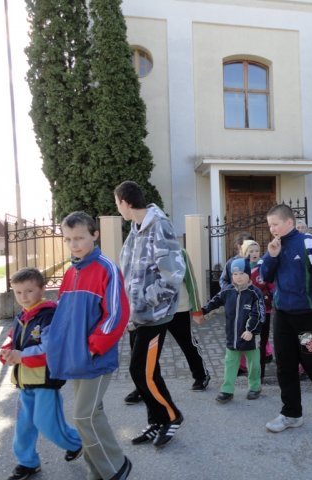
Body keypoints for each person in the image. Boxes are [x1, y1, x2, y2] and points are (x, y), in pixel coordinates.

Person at [45, 212, 131, 480]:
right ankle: (97, 470)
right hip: (75, 358)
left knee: (83, 416)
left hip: (95, 358)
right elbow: (64, 315)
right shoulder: (71, 272)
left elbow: (117, 314)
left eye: (80, 238)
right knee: (93, 414)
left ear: (95, 235)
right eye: (68, 239)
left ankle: (115, 468)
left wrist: (93, 347)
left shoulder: (107, 268)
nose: (74, 244)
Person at [114, 180, 186, 449]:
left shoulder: (159, 226)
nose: (117, 208)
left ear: (125, 202)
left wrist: (146, 301)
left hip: (155, 315)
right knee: (147, 372)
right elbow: (130, 271)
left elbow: (173, 274)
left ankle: (172, 416)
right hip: (137, 316)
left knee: (140, 372)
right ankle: (156, 421)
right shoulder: (136, 229)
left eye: (117, 203)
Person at [260, 204, 312, 433]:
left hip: (307, 316)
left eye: (275, 224)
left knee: (311, 361)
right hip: (282, 315)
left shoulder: (307, 242)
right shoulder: (275, 246)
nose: (272, 229)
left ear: (289, 222)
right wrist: (272, 256)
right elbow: (265, 277)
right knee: (284, 365)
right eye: (270, 225)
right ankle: (291, 414)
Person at [0, 268, 82, 480]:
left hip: (45, 381)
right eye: (18, 292)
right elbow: (12, 338)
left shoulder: (49, 315)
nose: (23, 297)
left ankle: (77, 443)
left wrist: (21, 356)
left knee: (48, 424)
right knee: (23, 425)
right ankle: (27, 463)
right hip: (24, 382)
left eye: (29, 291)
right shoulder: (21, 315)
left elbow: (50, 350)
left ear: (42, 289)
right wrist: (6, 351)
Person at [123, 247, 211, 405]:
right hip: (150, 310)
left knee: (186, 343)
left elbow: (190, 280)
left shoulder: (178, 251)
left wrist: (196, 309)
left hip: (177, 308)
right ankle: (144, 387)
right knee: (146, 351)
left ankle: (201, 375)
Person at [195, 257, 265, 403]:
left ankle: (255, 387)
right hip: (232, 336)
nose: (238, 277)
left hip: (250, 337)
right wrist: (202, 312)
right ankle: (227, 390)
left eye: (241, 273)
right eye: (235, 274)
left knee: (253, 364)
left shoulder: (255, 293)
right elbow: (214, 302)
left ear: (248, 274)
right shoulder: (227, 291)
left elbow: (258, 314)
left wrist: (250, 330)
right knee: (230, 363)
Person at [241, 239, 275, 382]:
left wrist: (273, 299)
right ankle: (248, 368)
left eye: (256, 251)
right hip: (246, 312)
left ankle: (260, 374)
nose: (254, 254)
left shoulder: (263, 268)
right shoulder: (241, 269)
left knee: (261, 342)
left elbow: (272, 287)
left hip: (264, 312)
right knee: (248, 342)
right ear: (244, 253)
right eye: (251, 251)